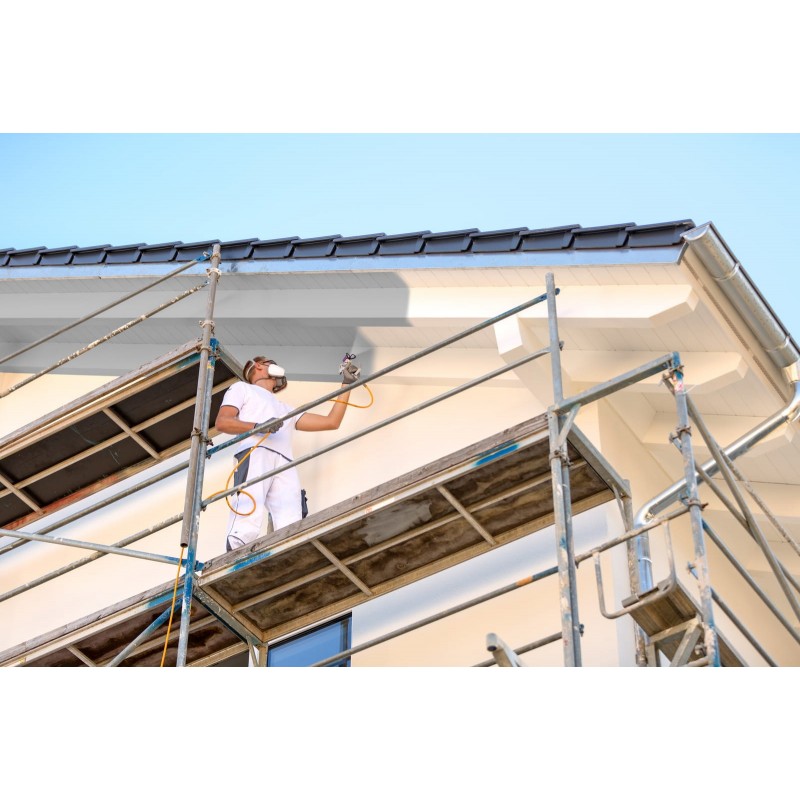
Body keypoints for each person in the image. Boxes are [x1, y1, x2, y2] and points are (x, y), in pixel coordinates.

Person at [215, 354, 360, 552]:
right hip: (256, 451)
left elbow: (331, 422)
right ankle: (236, 550)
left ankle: (290, 550)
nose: (276, 367)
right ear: (258, 366)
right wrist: (258, 426)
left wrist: (346, 385)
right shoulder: (242, 389)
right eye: (270, 363)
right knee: (249, 504)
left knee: (291, 518)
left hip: (284, 462)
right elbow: (223, 422)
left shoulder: (285, 409)